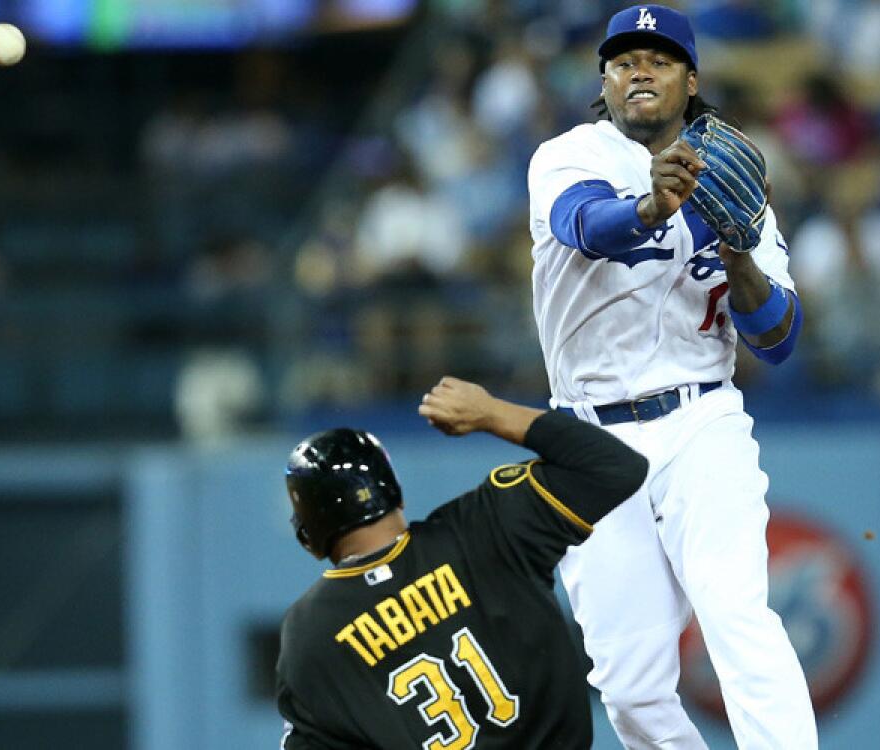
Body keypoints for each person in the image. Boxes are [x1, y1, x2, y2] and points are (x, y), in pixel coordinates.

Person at [526, 5, 816, 749]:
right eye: (624, 62)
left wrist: (740, 250)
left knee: (736, 613)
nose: (640, 71)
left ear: (691, 80)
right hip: (587, 436)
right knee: (628, 685)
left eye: (658, 59)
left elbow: (779, 337)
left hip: (701, 420)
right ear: (605, 81)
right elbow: (587, 227)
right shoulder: (568, 156)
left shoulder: (734, 175)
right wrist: (655, 204)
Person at [274, 376, 649, 748]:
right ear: (394, 493)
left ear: (310, 535)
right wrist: (491, 413)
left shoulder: (309, 634)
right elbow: (615, 467)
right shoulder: (485, 526)